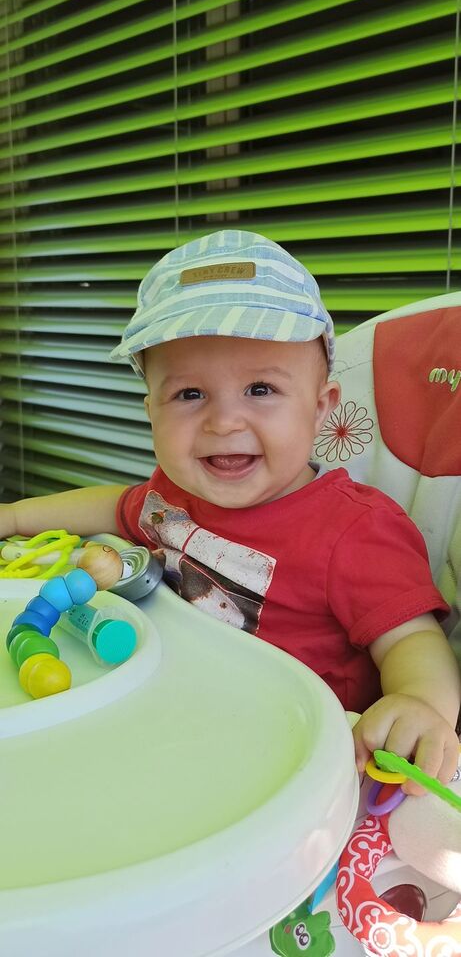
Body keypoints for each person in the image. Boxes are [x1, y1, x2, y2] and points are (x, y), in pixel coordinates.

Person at [1, 230, 459, 792]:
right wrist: (15, 517)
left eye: (260, 389)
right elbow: (111, 504)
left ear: (320, 409)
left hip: (293, 762)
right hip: (174, 723)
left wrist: (419, 703)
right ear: (151, 412)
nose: (223, 422)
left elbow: (412, 640)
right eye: (189, 394)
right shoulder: (173, 495)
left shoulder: (354, 530)